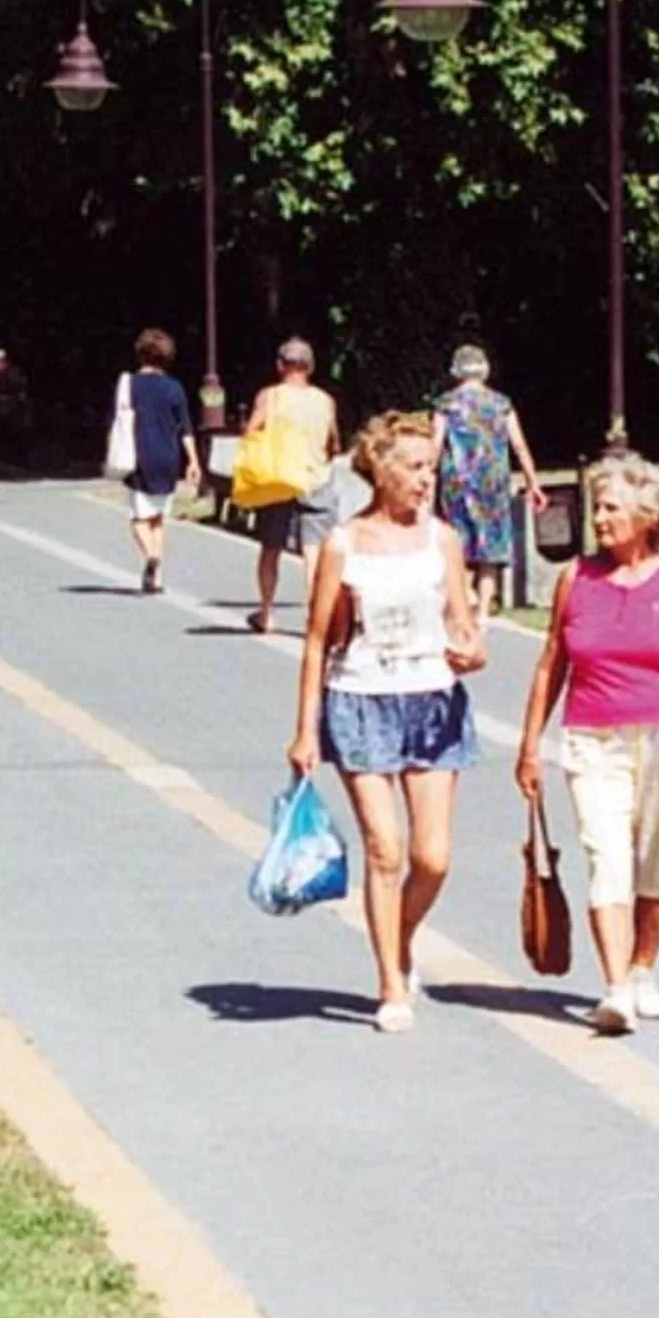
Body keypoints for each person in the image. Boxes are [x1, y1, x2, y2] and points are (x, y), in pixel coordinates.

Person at [287, 412, 485, 1032]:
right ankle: (390, 983)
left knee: (433, 857)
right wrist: (303, 729)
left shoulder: (443, 540)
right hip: (360, 699)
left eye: (432, 467)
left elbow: (464, 625)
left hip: (432, 701)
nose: (428, 480)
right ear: (382, 469)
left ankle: (397, 936)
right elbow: (318, 640)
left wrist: (472, 650)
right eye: (416, 467)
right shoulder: (344, 544)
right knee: (385, 848)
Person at [516, 452, 659, 1034]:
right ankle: (615, 991)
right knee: (606, 857)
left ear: (646, 514)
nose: (599, 519)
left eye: (610, 507)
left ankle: (642, 969)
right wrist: (531, 744)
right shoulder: (575, 578)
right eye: (597, 507)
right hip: (591, 737)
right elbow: (550, 664)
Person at [434, 345, 546, 617]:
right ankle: (484, 611)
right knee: (490, 545)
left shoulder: (446, 404)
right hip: (493, 483)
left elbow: (435, 445)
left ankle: (464, 598)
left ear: (456, 371)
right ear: (484, 370)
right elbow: (518, 445)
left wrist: (426, 477)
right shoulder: (501, 404)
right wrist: (533, 483)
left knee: (457, 540)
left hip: (457, 482)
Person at [243, 338, 340, 634]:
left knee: (271, 548)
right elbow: (334, 440)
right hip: (316, 478)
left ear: (279, 366)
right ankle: (315, 617)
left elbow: (251, 432)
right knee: (313, 552)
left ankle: (267, 612)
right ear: (310, 367)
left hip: (278, 479)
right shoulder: (325, 400)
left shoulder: (269, 397)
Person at [120, 328, 199, 592]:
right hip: (168, 457)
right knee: (158, 518)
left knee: (138, 518)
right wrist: (194, 461)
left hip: (139, 455)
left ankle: (151, 558)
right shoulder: (174, 388)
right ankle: (157, 578)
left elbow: (117, 421)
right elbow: (185, 427)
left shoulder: (129, 385)